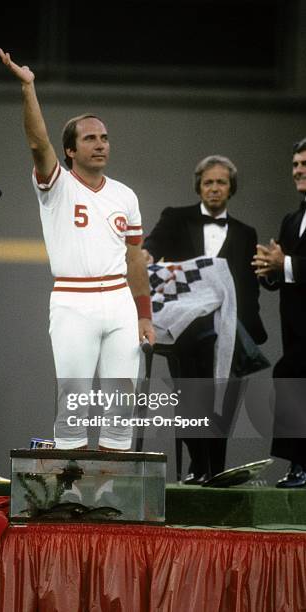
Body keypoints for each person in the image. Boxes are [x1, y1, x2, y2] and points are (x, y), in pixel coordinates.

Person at [0, 48, 155, 451]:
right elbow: (37, 141)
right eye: (89, 138)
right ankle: (71, 501)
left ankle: (110, 500)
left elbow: (135, 258)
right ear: (70, 150)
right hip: (73, 299)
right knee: (75, 402)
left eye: (104, 137)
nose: (100, 144)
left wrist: (144, 315)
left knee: (122, 405)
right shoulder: (58, 185)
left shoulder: (125, 195)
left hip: (120, 300)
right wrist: (28, 87)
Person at [143, 155, 267, 483]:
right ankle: (197, 467)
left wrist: (252, 330)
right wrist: (146, 253)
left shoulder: (245, 232)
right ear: (199, 186)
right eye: (208, 182)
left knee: (224, 401)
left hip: (230, 327)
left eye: (221, 182)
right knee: (190, 396)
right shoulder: (176, 218)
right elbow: (153, 244)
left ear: (231, 189)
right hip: (185, 326)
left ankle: (216, 470)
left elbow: (252, 283)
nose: (214, 188)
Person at [253, 137, 306, 487]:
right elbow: (282, 272)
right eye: (295, 165)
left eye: (305, 164)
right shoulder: (292, 219)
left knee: (290, 377)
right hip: (296, 328)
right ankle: (299, 465)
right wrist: (268, 270)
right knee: (292, 379)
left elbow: (291, 264)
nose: (298, 171)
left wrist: (285, 263)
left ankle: (300, 464)